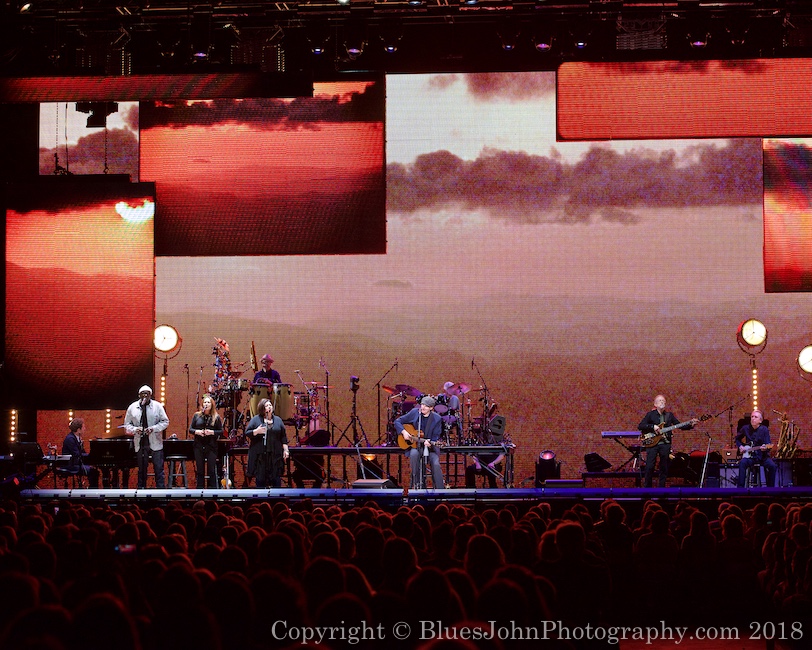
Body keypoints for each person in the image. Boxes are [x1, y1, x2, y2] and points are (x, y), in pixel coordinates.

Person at [638, 394, 698, 488]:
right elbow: (641, 426)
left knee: (664, 467)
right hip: (653, 444)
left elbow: (679, 425)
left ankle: (662, 489)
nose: (662, 402)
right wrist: (653, 426)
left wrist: (691, 425)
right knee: (650, 466)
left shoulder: (669, 415)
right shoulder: (650, 415)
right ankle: (647, 489)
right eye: (660, 400)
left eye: (663, 401)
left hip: (665, 444)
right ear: (655, 404)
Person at [394, 396, 445, 489]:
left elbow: (436, 436)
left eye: (426, 406)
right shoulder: (415, 412)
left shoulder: (437, 418)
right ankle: (417, 484)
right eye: (422, 404)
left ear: (431, 408)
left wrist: (430, 443)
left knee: (435, 463)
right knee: (414, 454)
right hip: (416, 446)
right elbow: (397, 421)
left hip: (430, 449)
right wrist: (404, 432)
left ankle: (440, 489)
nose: (423, 407)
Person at [124, 385, 169, 489]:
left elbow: (165, 422)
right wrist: (135, 429)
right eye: (142, 393)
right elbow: (127, 425)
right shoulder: (132, 407)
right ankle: (141, 490)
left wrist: (154, 428)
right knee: (141, 470)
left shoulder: (157, 406)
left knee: (159, 469)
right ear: (139, 395)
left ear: (150, 395)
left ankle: (160, 491)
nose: (145, 395)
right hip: (140, 442)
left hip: (155, 441)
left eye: (147, 393)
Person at [245, 398, 289, 487]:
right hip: (261, 456)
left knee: (276, 479)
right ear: (262, 408)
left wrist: (286, 450)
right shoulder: (256, 419)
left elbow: (283, 437)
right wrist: (256, 431)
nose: (269, 407)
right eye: (266, 406)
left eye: (270, 405)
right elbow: (247, 432)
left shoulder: (278, 420)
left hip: (275, 455)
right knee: (261, 480)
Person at [189, 394, 223, 489]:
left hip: (211, 446)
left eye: (208, 402)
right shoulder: (197, 416)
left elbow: (221, 431)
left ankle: (213, 490)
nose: (206, 404)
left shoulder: (216, 417)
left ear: (212, 405)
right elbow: (190, 429)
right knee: (200, 470)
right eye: (205, 402)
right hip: (199, 445)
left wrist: (212, 432)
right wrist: (197, 432)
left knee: (211, 470)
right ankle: (199, 490)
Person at [735, 409, 777, 487]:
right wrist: (740, 446)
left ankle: (770, 489)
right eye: (752, 417)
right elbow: (737, 439)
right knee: (742, 463)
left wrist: (765, 448)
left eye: (755, 417)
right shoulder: (745, 428)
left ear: (760, 421)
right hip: (750, 457)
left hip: (762, 457)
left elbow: (768, 443)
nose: (753, 418)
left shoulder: (764, 429)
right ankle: (740, 489)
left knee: (772, 466)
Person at [61, 418, 100, 488]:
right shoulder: (70, 439)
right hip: (71, 465)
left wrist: (91, 459)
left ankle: (92, 490)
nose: (85, 429)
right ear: (78, 430)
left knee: (94, 471)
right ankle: (92, 491)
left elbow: (82, 453)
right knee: (93, 472)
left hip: (76, 463)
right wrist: (90, 458)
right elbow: (77, 454)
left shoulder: (76, 438)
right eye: (83, 427)